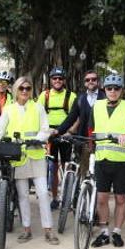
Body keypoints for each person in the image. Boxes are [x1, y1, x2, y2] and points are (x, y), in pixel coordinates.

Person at [0, 76, 59, 244]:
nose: (25, 91)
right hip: (17, 156)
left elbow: (45, 128)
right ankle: (26, 229)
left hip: (35, 154)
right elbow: (0, 128)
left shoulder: (38, 107)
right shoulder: (9, 109)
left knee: (42, 193)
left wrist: (39, 138)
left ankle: (48, 230)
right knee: (23, 195)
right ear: (16, 90)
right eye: (21, 88)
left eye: (28, 88)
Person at [89, 74, 125, 248]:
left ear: (122, 91)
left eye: (116, 88)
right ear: (104, 90)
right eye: (109, 88)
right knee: (102, 199)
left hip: (122, 161)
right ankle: (104, 232)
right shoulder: (96, 106)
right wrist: (90, 141)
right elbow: (91, 130)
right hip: (102, 159)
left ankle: (117, 231)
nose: (112, 91)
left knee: (120, 199)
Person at [38, 66, 76, 210]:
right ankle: (55, 198)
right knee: (52, 168)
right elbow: (38, 114)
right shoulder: (44, 95)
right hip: (50, 135)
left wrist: (71, 131)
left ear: (64, 80)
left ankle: (68, 197)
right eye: (55, 78)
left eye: (60, 78)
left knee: (67, 167)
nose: (58, 81)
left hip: (66, 134)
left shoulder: (71, 96)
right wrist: (45, 132)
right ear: (51, 80)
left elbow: (77, 116)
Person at [55, 69, 105, 139]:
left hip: (101, 139)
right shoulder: (79, 99)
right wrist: (58, 131)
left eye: (93, 79)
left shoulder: (105, 97)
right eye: (87, 80)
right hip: (82, 139)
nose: (90, 81)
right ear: (85, 83)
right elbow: (70, 118)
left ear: (98, 81)